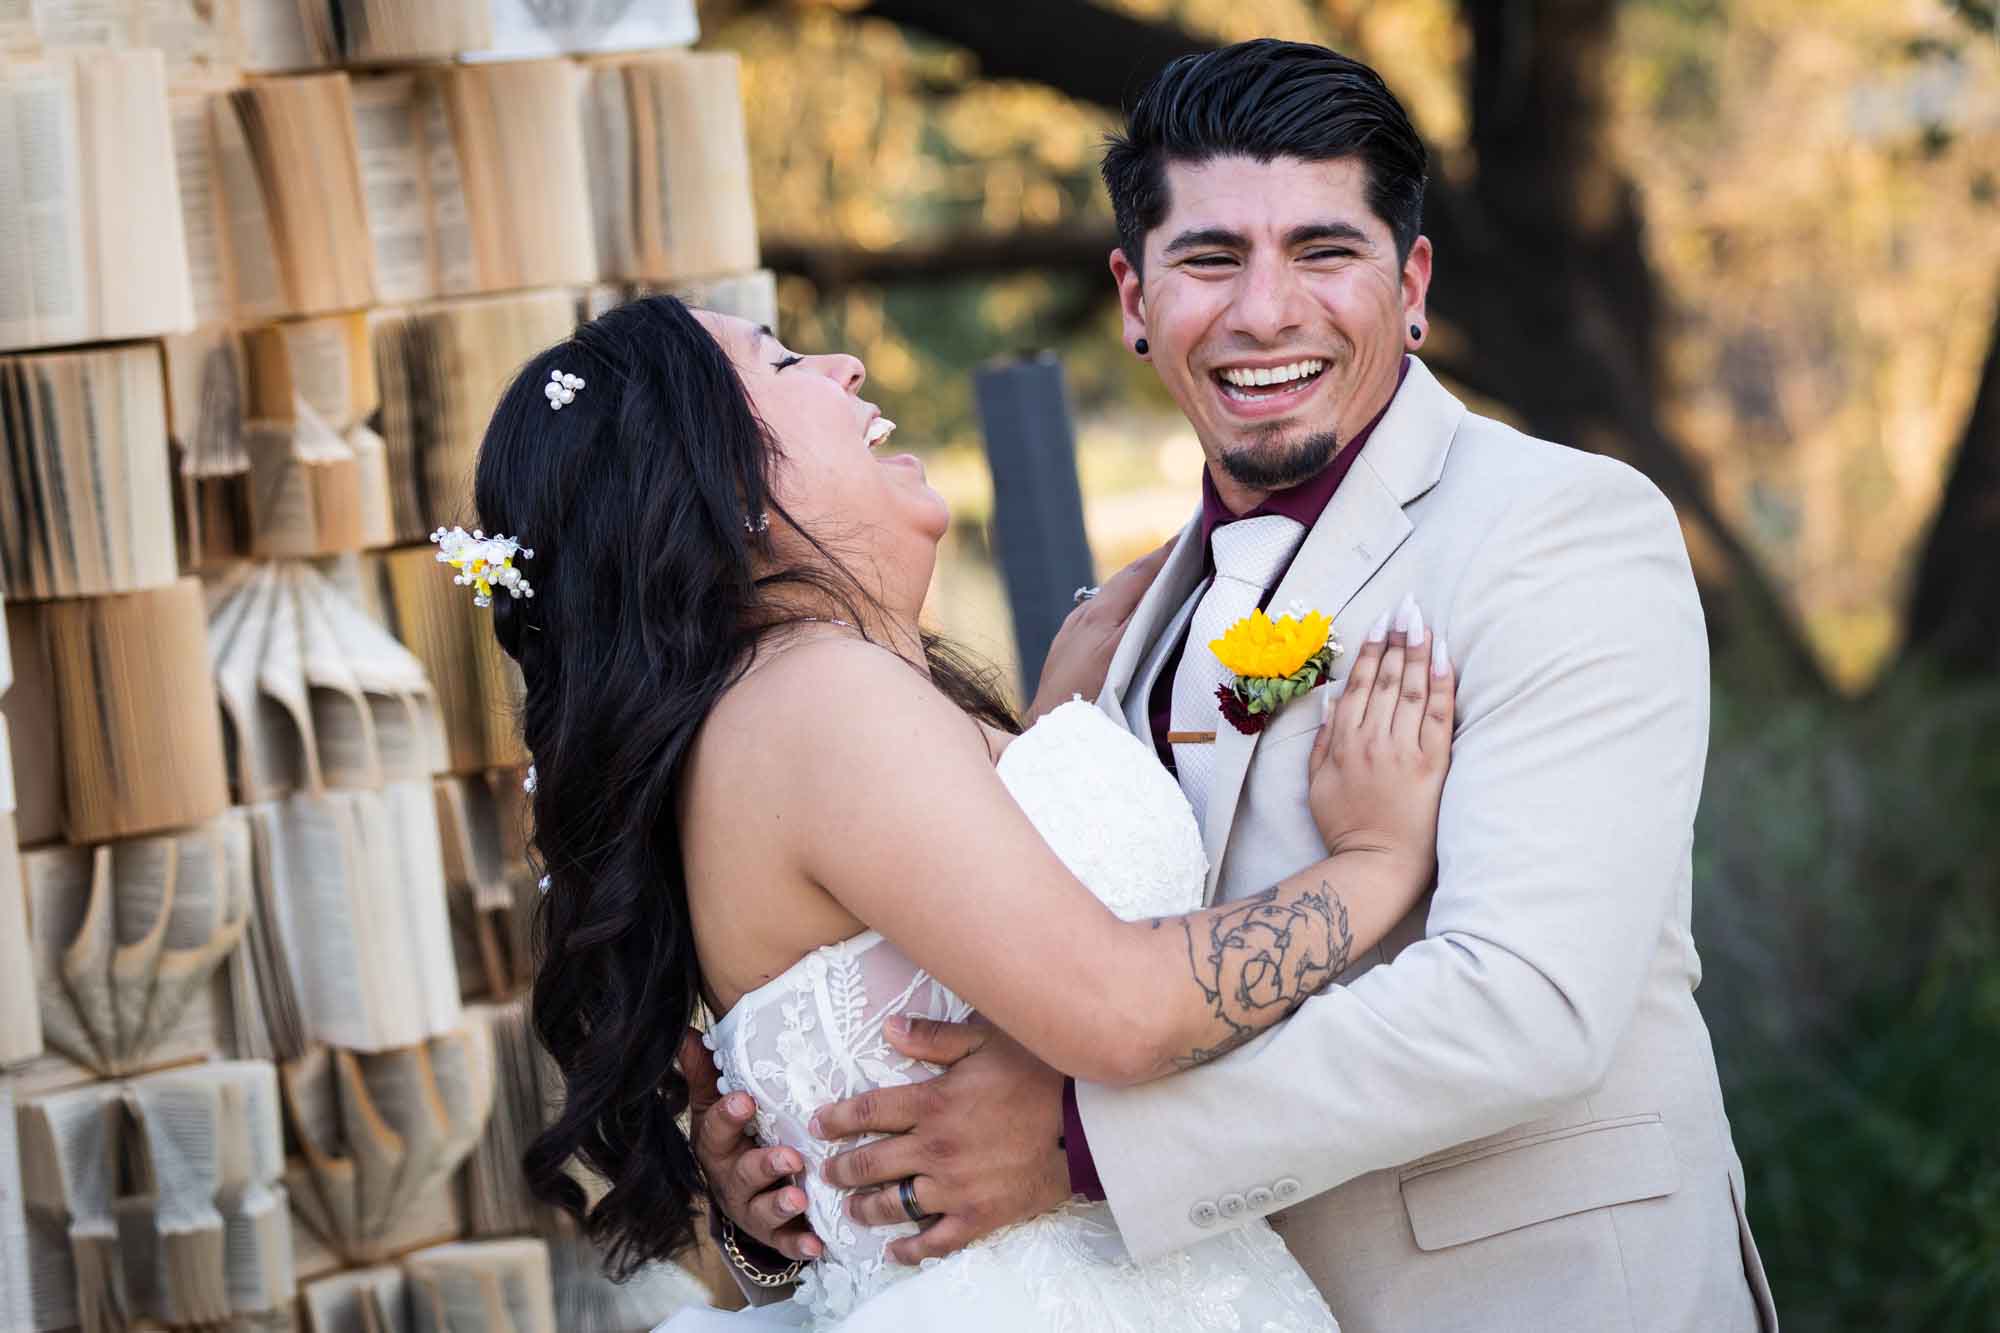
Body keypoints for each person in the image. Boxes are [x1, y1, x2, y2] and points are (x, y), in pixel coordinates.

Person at [697, 38, 1779, 1333]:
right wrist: (779, 1198)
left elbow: (1531, 1002)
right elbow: (991, 995)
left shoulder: (1559, 528)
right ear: (1134, 300)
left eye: (1324, 252)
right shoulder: (1124, 624)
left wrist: (1080, 1152)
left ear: (1412, 282)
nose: (1266, 311)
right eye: (1212, 259)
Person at [466, 292, 1460, 1329]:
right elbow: (1118, 1009)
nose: (843, 364)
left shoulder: (800, 707)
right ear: (712, 483)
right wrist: (1378, 858)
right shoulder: (812, 699)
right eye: (781, 363)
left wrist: (1048, 736)